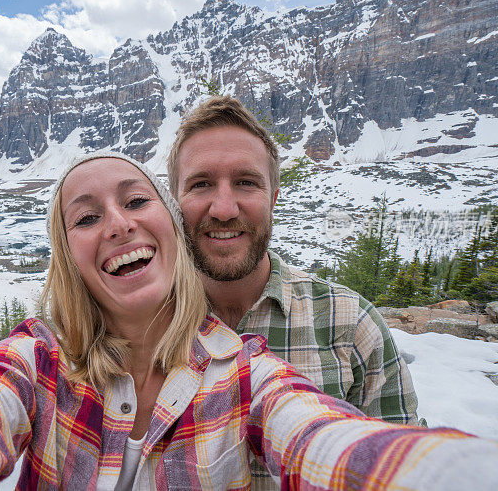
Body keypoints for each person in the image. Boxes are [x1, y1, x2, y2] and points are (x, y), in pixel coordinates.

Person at [0, 152, 498, 490]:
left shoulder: (247, 370)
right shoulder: (36, 362)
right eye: (86, 217)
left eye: (136, 201)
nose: (121, 224)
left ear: (168, 226)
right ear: (67, 257)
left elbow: (337, 443)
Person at [167, 95, 417, 423]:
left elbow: (398, 465)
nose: (224, 209)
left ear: (272, 200)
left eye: (246, 183)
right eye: (201, 184)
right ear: (173, 203)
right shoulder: (140, 323)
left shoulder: (351, 325)